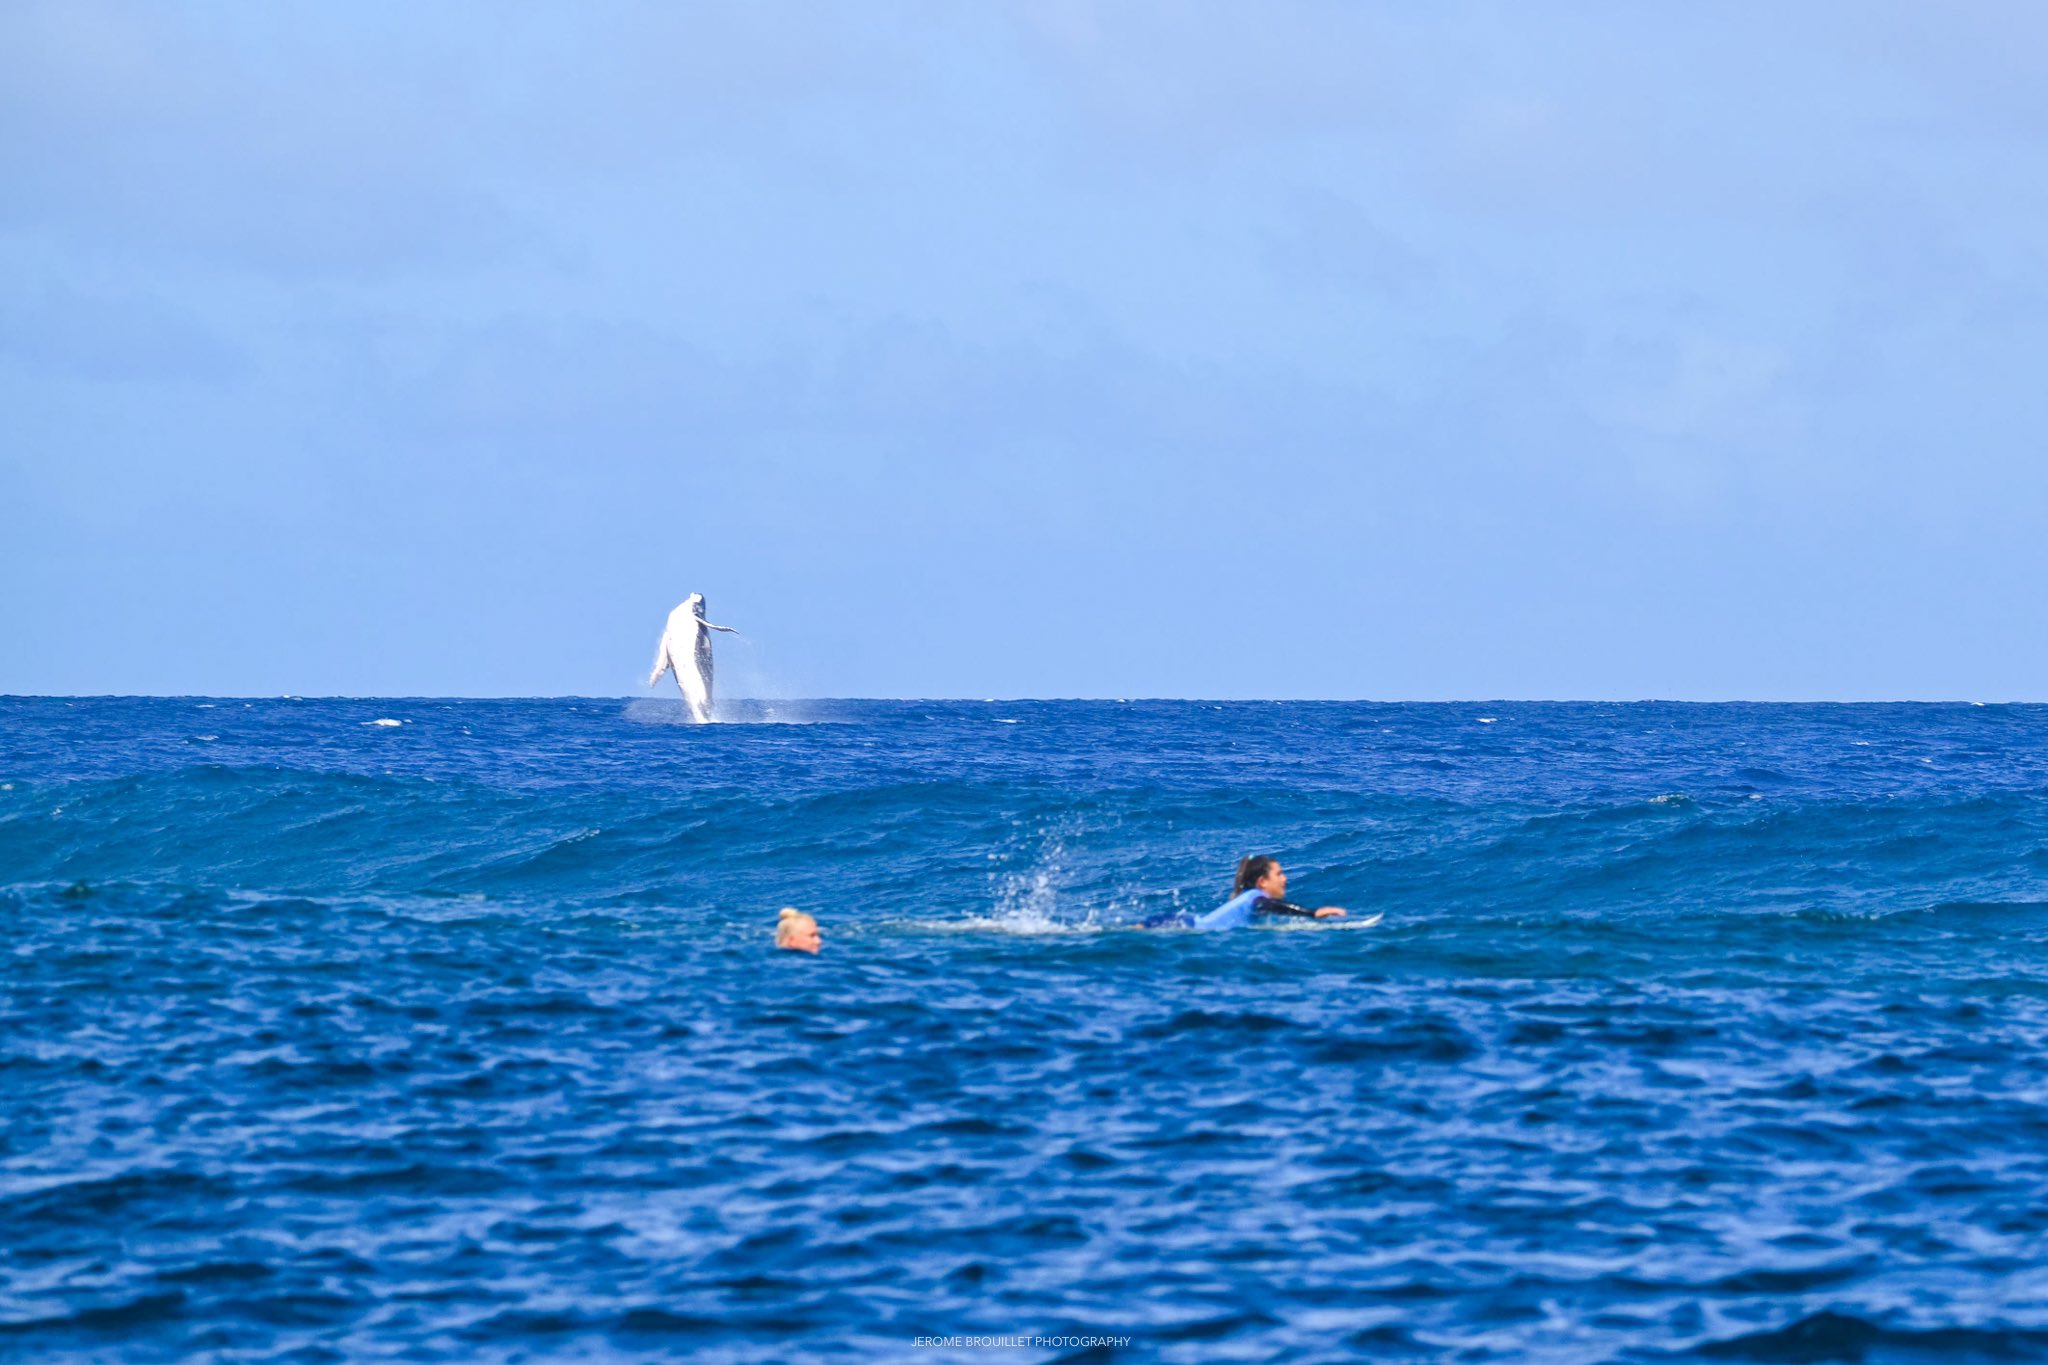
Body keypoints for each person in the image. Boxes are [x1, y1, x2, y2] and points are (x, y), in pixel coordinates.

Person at [1142, 856, 1349, 930]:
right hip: (1178, 925)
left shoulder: (1247, 897)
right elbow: (1271, 907)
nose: (1284, 879)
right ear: (1262, 882)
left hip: (1181, 922)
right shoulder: (1256, 898)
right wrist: (1312, 913)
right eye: (1279, 874)